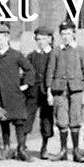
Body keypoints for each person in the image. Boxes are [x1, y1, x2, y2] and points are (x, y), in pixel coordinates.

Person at [0, 24, 35, 160]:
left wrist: (26, 85)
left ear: (7, 38)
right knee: (3, 122)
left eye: (0, 39)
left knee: (19, 122)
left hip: (14, 95)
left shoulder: (16, 55)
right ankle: (6, 148)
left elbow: (30, 70)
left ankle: (21, 149)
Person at [47, 21, 84, 163]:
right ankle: (63, 150)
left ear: (73, 34)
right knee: (61, 120)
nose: (65, 36)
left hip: (76, 90)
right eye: (63, 33)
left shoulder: (80, 50)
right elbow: (50, 72)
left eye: (68, 33)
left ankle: (76, 151)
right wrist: (49, 92)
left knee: (75, 119)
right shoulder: (56, 51)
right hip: (59, 91)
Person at [26, 26, 56, 159]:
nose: (41, 42)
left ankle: (44, 147)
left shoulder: (54, 54)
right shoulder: (32, 55)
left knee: (46, 118)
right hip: (32, 92)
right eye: (38, 39)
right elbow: (26, 72)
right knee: (27, 117)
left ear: (49, 39)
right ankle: (22, 146)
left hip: (47, 92)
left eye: (44, 39)